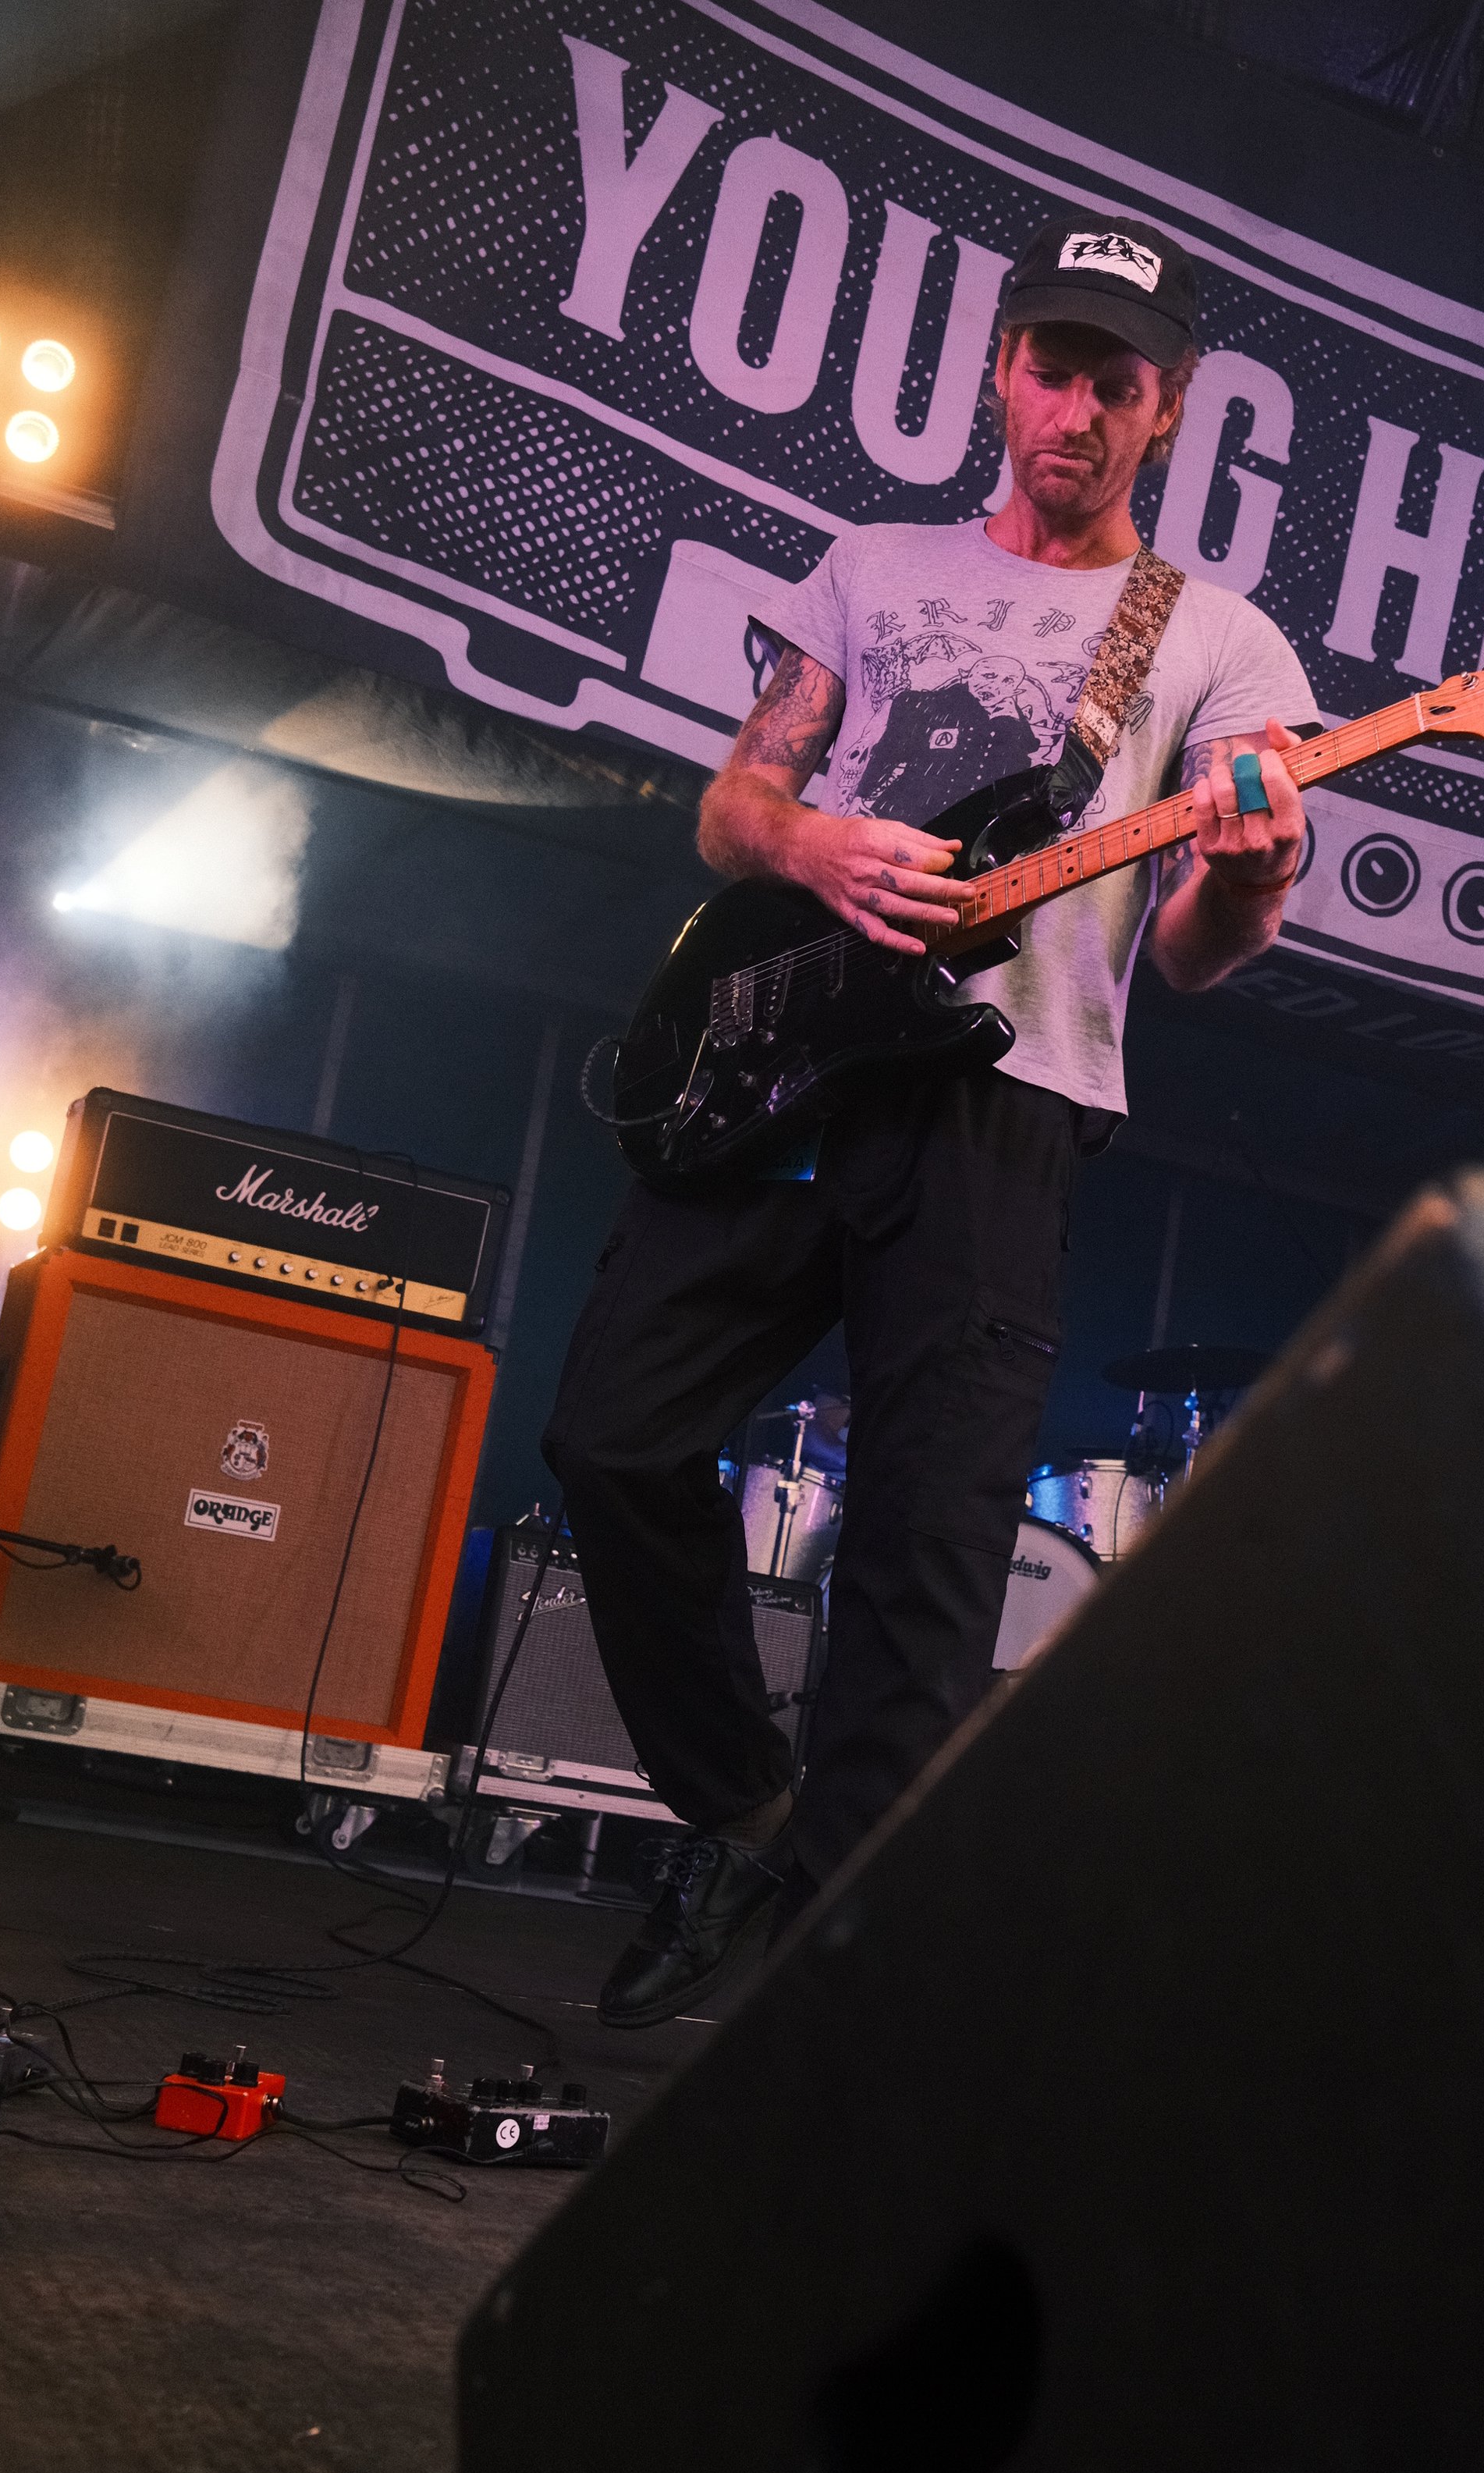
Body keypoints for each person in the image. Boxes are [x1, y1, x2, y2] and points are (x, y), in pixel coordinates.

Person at [543, 210, 1316, 2027]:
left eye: (1115, 386)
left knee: (921, 1570)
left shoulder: (1215, 643)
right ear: (997, 370)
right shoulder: (870, 569)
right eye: (1051, 368)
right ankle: (745, 1810)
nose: (1075, 412)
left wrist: (1250, 871)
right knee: (611, 1440)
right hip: (788, 1075)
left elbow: (1192, 955)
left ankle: (819, 2021)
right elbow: (736, 809)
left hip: (1004, 1107)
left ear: (1168, 410)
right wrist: (814, 842)